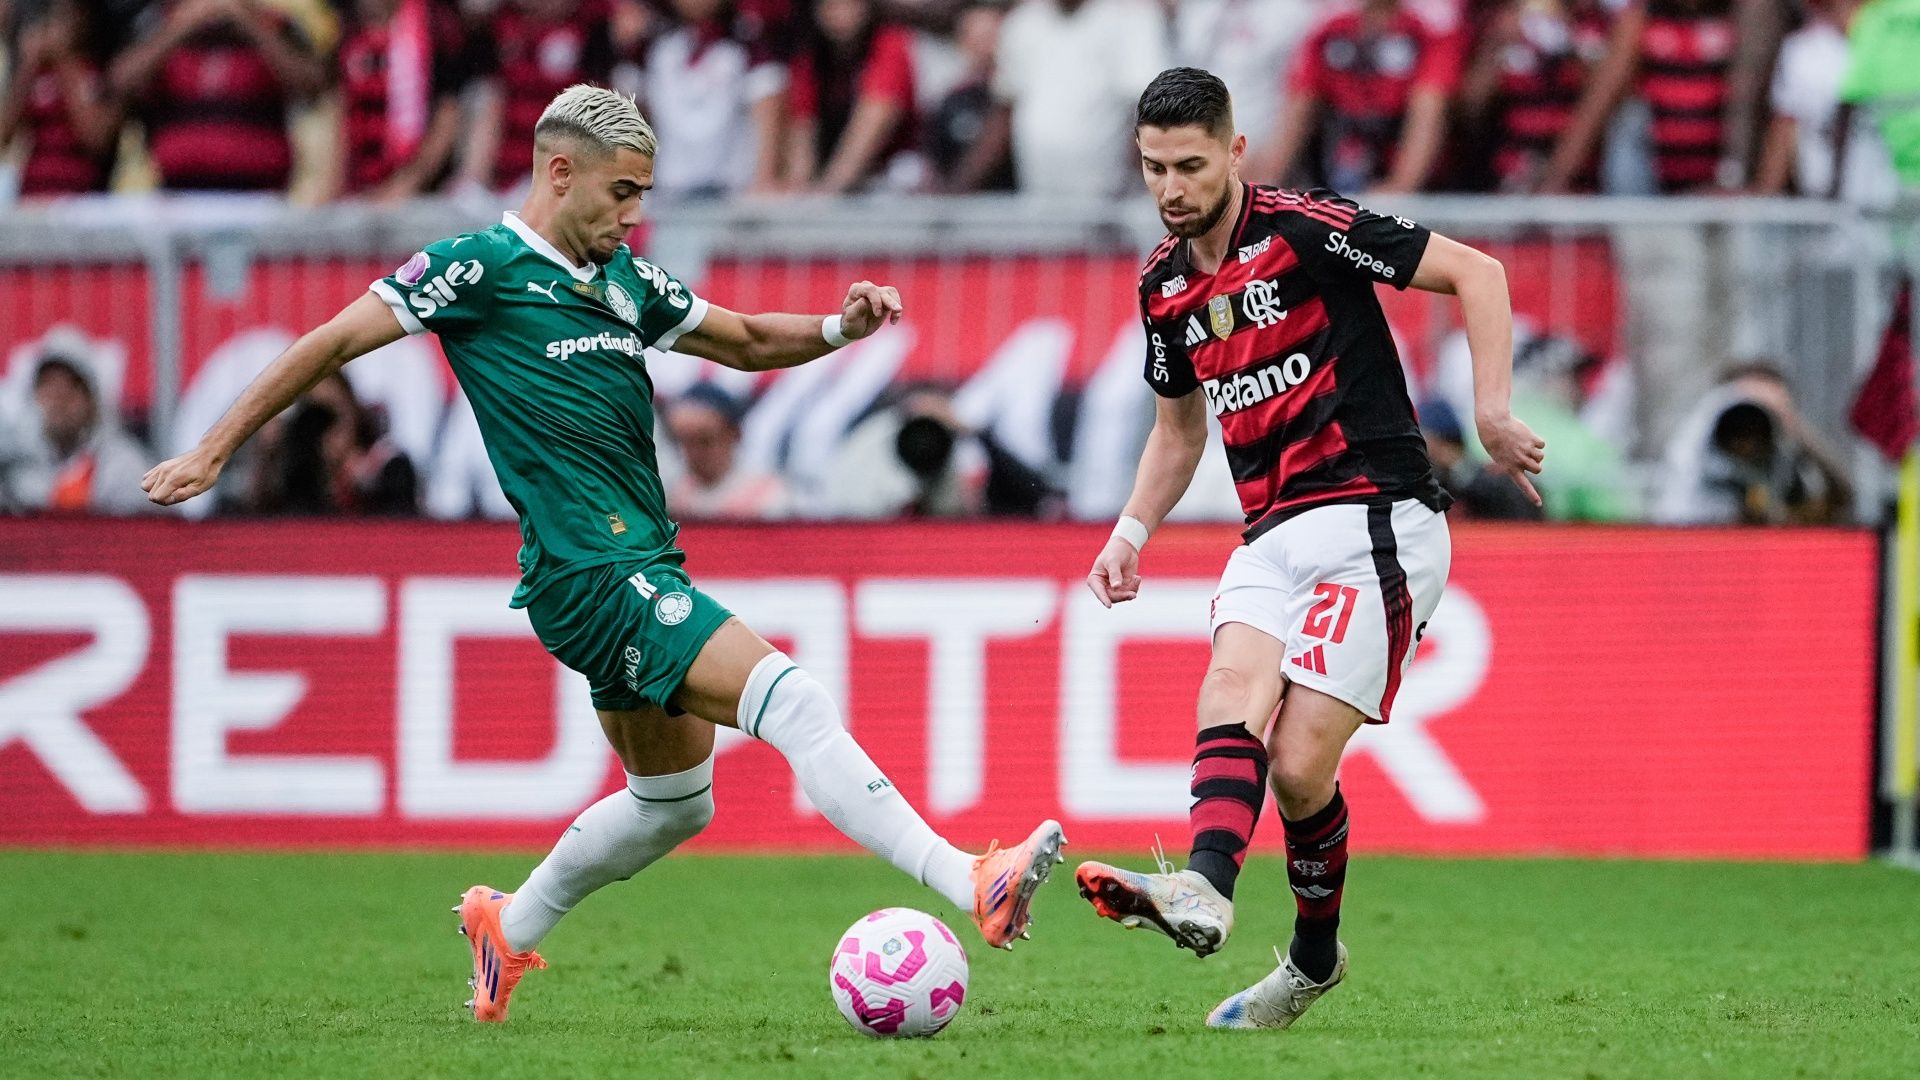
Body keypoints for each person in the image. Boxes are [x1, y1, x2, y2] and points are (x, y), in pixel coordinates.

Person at [142, 84, 1065, 1024]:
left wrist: (839, 329)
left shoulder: (622, 278)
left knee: (674, 802)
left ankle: (506, 928)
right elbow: (334, 339)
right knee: (795, 700)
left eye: (644, 193)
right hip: (591, 573)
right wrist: (214, 448)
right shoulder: (479, 268)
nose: (635, 213)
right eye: (622, 191)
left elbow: (740, 339)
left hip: (640, 563)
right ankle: (970, 878)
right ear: (559, 172)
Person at [1074, 68, 1542, 1030]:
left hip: (1377, 518)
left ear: (1235, 152)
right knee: (1229, 690)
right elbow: (1178, 433)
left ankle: (1311, 959)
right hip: (1271, 532)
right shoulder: (1164, 285)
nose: (1171, 188)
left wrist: (1492, 410)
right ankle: (1204, 887)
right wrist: (1129, 532)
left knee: (1296, 767)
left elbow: (1478, 273)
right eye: (1154, 168)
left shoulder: (1303, 227)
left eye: (1190, 165)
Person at [110, 0, 326, 191]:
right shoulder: (158, 21)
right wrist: (183, 27)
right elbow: (120, 83)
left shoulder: (275, 23)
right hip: (178, 192)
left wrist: (251, 26)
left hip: (261, 193)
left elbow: (312, 87)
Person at [1255, 0, 1460, 193]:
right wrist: (1265, 186)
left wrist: (1398, 188)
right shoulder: (1328, 23)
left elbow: (1428, 114)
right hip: (1330, 175)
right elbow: (1295, 116)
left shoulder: (1432, 24)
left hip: (1406, 186)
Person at [326, 0, 478, 201]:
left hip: (420, 194)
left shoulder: (435, 28)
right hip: (359, 190)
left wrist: (406, 183)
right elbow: (340, 117)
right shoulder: (346, 30)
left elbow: (447, 117)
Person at [0, 351, 156, 515]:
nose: (58, 401)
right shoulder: (15, 464)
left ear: (92, 400)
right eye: (48, 387)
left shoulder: (123, 466)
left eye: (71, 388)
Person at [0, 0, 120, 198]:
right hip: (34, 191)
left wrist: (64, 60)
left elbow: (95, 139)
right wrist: (28, 66)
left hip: (79, 192)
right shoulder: (39, 73)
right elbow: (5, 136)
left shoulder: (96, 71)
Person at [662, 383, 791, 519]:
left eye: (704, 440)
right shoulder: (673, 497)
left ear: (735, 434)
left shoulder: (768, 498)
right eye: (684, 441)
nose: (694, 452)